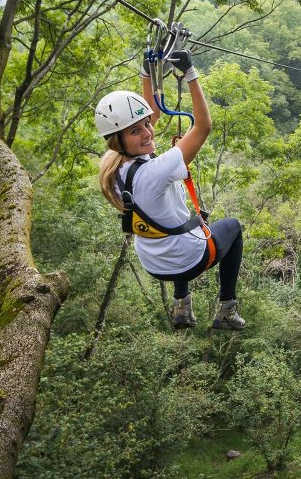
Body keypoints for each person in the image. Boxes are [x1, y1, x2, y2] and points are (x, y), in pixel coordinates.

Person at [94, 49, 244, 331]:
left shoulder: (113, 166)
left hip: (153, 262)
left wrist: (146, 74)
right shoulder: (154, 172)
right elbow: (203, 126)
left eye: (146, 125)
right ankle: (227, 309)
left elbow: (153, 114)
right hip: (188, 260)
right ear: (119, 139)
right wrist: (190, 73)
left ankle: (181, 306)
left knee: (176, 224)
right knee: (233, 227)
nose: (148, 132)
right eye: (135, 131)